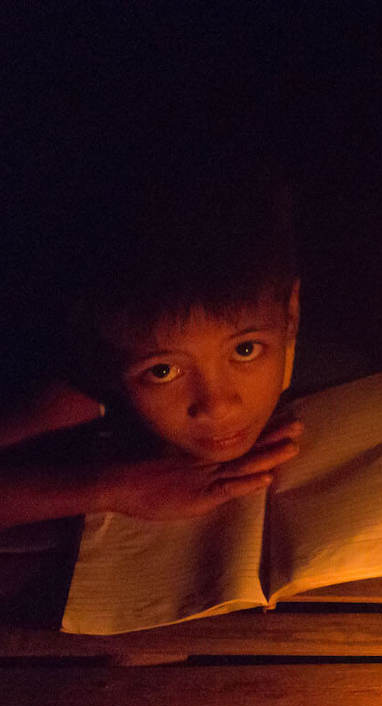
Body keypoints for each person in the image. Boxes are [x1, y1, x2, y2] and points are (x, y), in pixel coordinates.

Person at [0, 154, 302, 530]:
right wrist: (114, 489)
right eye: (163, 371)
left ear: (291, 312)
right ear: (105, 362)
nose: (217, 407)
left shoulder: (339, 356)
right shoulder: (78, 398)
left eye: (245, 350)